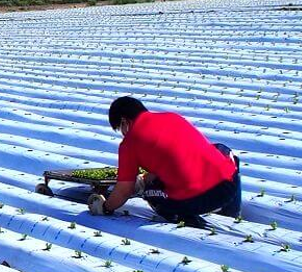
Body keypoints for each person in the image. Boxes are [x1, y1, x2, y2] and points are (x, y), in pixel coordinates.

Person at [95, 96, 241, 227]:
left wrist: (105, 207)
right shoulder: (173, 117)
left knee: (149, 192)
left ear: (124, 121)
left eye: (120, 128)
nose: (123, 133)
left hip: (198, 200)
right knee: (221, 151)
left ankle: (185, 220)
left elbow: (124, 190)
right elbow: (176, 156)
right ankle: (232, 213)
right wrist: (147, 176)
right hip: (229, 186)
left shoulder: (129, 143)